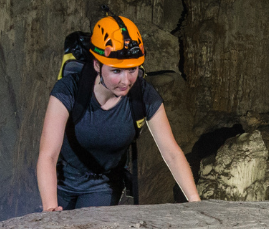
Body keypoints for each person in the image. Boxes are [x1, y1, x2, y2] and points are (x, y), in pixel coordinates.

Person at [37, 14, 200, 211]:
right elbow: (48, 155)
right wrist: (50, 209)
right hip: (60, 181)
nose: (126, 81)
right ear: (97, 65)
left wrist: (195, 202)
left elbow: (171, 153)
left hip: (102, 185)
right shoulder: (68, 90)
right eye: (116, 71)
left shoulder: (143, 96)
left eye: (132, 70)